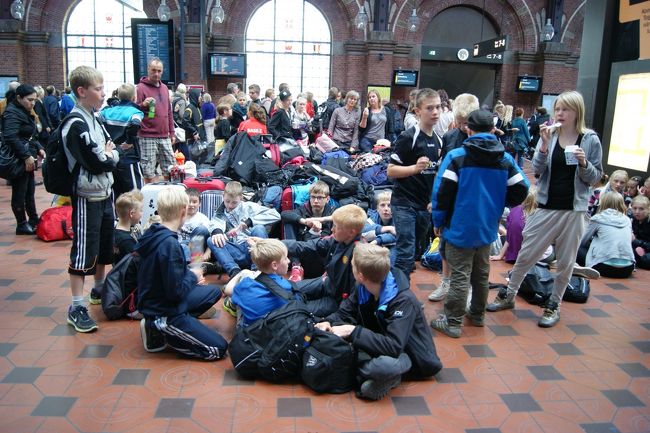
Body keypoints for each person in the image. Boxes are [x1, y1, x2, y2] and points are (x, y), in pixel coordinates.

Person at [487, 90, 603, 328]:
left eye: (565, 109)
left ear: (576, 112)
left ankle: (554, 304)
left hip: (574, 210)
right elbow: (537, 170)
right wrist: (543, 146)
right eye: (557, 109)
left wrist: (583, 163)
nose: (560, 113)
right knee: (527, 253)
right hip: (546, 206)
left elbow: (595, 178)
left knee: (566, 262)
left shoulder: (589, 139)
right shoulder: (548, 134)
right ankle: (509, 294)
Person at [429, 109, 529, 338]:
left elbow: (441, 193)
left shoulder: (456, 157)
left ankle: (453, 323)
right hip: (487, 226)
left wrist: (438, 220)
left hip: (459, 226)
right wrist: (500, 203)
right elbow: (522, 188)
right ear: (493, 130)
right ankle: (477, 315)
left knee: (460, 275)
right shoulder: (504, 159)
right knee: (481, 274)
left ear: (467, 128)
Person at [315, 243, 442, 400]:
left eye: (353, 265)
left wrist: (353, 331)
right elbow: (344, 313)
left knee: (383, 366)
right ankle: (365, 374)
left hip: (411, 356)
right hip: (380, 345)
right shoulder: (362, 287)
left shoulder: (403, 301)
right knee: (343, 347)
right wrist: (327, 322)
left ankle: (390, 374)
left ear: (361, 275)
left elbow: (393, 346)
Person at [135, 187, 227, 359]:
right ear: (183, 211)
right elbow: (175, 292)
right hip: (164, 311)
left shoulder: (154, 233)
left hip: (157, 301)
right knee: (218, 349)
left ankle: (174, 327)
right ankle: (162, 332)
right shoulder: (169, 245)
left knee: (213, 291)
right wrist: (193, 276)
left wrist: (191, 274)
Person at [63, 66, 120, 332]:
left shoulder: (95, 118)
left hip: (104, 192)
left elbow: (113, 152)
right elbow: (98, 161)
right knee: (85, 248)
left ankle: (98, 289)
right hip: (87, 196)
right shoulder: (76, 123)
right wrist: (107, 155)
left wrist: (108, 155)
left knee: (104, 245)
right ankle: (76, 305)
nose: (103, 93)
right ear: (82, 91)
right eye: (98, 88)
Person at [428, 93, 480, 302]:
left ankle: (466, 290)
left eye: (466, 122)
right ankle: (446, 282)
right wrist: (436, 201)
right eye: (459, 122)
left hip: (472, 202)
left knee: (470, 249)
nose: (462, 126)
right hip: (451, 199)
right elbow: (442, 171)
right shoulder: (449, 137)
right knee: (443, 244)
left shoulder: (484, 140)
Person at [387, 88, 442, 277]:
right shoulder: (409, 137)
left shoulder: (439, 141)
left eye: (438, 107)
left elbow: (435, 176)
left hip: (424, 206)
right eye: (429, 108)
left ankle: (399, 285)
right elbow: (391, 171)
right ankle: (398, 298)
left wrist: (434, 199)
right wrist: (414, 169)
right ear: (418, 111)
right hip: (403, 203)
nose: (435, 112)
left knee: (415, 251)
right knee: (405, 251)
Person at [284, 204, 366, 316]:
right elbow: (306, 247)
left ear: (351, 232)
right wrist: (277, 245)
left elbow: (353, 299)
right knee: (285, 288)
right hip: (328, 284)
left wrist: (334, 319)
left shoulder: (359, 256)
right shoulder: (336, 239)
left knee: (294, 310)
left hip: (337, 302)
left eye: (336, 227)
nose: (332, 229)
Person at [206, 181, 280, 278]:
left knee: (259, 228)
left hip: (254, 249)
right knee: (211, 239)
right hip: (235, 251)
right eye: (227, 201)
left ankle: (257, 270)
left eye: (234, 202)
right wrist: (217, 232)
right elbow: (214, 224)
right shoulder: (219, 213)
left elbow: (276, 215)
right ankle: (234, 272)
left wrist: (249, 221)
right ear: (223, 196)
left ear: (241, 197)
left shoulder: (249, 206)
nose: (230, 205)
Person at [225, 239, 301, 326]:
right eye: (285, 258)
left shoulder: (245, 284)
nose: (289, 261)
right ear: (274, 265)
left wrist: (241, 273)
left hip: (251, 333)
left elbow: (227, 290)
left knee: (244, 279)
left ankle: (232, 302)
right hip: (277, 329)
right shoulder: (287, 286)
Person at [2, 84, 45, 235]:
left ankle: (33, 219)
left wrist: (38, 147)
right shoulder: (12, 113)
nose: (32, 103)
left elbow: (29, 134)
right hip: (19, 158)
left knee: (29, 190)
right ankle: (21, 224)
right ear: (19, 98)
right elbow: (11, 137)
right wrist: (26, 156)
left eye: (34, 100)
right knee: (20, 191)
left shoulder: (23, 110)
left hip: (26, 155)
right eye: (30, 100)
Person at [98, 83, 145, 198]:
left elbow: (97, 120)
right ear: (134, 97)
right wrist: (129, 142)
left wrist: (107, 140)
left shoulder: (107, 111)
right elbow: (135, 124)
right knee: (135, 195)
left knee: (116, 194)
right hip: (129, 158)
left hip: (112, 156)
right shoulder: (136, 112)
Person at [136, 57, 175, 183]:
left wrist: (172, 132)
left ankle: (170, 199)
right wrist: (142, 105)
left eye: (159, 71)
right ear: (148, 70)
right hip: (147, 135)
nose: (156, 73)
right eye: (154, 70)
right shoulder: (140, 88)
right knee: (148, 171)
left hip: (164, 136)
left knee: (171, 168)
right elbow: (135, 110)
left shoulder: (164, 88)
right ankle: (150, 199)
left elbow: (169, 112)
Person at [578, 192, 635, 278]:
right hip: (627, 269)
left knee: (576, 249)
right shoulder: (627, 220)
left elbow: (582, 241)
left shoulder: (598, 218)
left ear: (603, 202)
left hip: (603, 267)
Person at [111, 190, 143, 266]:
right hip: (128, 276)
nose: (142, 213)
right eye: (141, 210)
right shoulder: (127, 241)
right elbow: (137, 263)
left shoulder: (115, 231)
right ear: (132, 214)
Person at [631, 195, 650, 269]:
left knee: (646, 260)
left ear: (648, 209)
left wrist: (637, 242)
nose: (637, 212)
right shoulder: (634, 220)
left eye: (641, 209)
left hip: (646, 249)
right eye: (634, 208)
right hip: (640, 248)